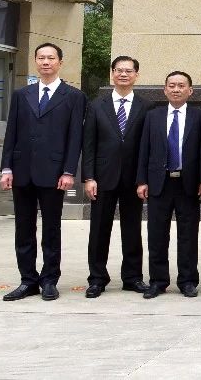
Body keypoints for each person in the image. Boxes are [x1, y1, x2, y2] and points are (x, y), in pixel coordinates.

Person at [0, 43, 86, 302]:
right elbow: (11, 132)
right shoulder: (21, 95)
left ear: (60, 62)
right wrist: (6, 167)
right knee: (23, 228)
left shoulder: (74, 97)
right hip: (22, 171)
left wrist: (69, 171)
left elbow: (75, 137)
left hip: (54, 173)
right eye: (41, 58)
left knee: (51, 229)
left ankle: (49, 280)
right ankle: (28, 280)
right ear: (35, 61)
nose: (45, 62)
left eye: (51, 58)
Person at [81, 55, 151, 298]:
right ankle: (97, 278)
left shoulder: (146, 106)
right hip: (102, 178)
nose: (123, 74)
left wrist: (144, 179)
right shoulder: (96, 105)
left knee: (132, 230)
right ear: (112, 74)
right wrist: (89, 177)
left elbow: (147, 147)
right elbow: (88, 144)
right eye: (119, 70)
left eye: (128, 71)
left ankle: (132, 277)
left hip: (133, 179)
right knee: (99, 230)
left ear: (136, 75)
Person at [136, 71, 201, 298]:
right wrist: (142, 180)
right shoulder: (153, 116)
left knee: (188, 235)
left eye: (181, 85)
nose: (176, 89)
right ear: (165, 90)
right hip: (159, 182)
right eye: (172, 85)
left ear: (190, 90)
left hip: (188, 184)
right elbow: (144, 150)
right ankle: (158, 281)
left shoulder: (200, 116)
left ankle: (188, 280)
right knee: (157, 235)